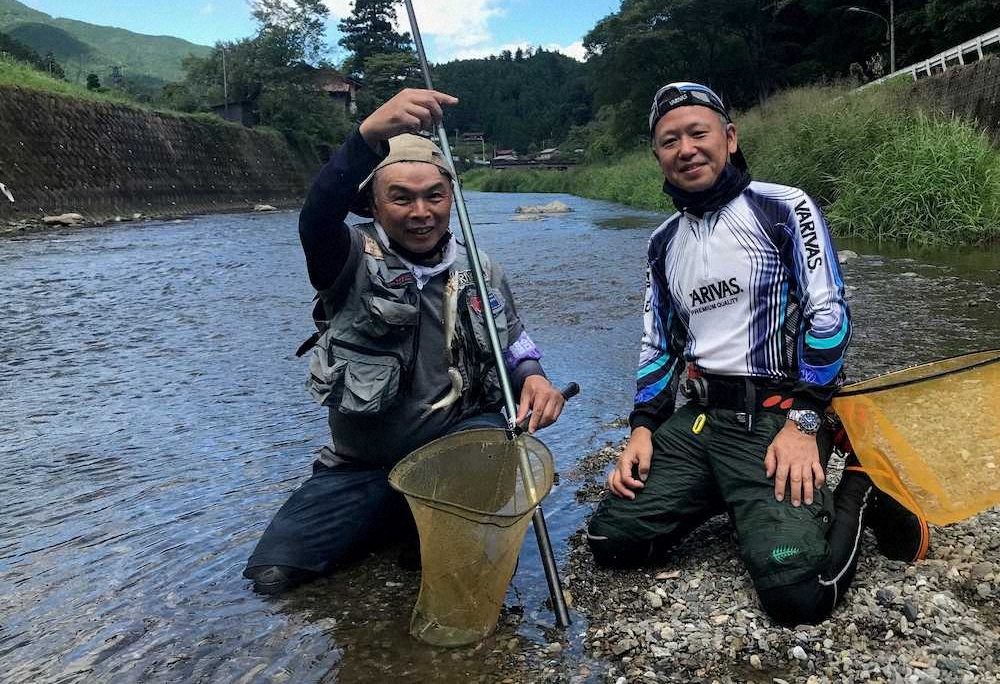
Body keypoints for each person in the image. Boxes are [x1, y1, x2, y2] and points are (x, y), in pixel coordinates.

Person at [586, 81, 929, 626]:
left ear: (729, 137)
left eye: (698, 133)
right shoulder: (661, 243)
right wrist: (644, 427)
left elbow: (829, 315)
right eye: (669, 140)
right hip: (700, 420)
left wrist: (805, 419)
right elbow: (660, 344)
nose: (686, 149)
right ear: (658, 155)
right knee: (610, 539)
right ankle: (734, 492)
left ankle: (862, 483)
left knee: (797, 595)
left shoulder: (782, 207)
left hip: (779, 415)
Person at [244, 88, 566, 595]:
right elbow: (316, 217)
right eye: (401, 197)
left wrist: (537, 380)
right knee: (273, 577)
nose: (422, 211)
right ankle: (396, 514)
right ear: (373, 203)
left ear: (450, 198)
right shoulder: (344, 258)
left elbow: (515, 344)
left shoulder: (481, 271)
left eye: (434, 196)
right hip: (362, 466)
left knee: (442, 564)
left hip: (458, 455)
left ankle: (428, 521)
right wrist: (366, 136)